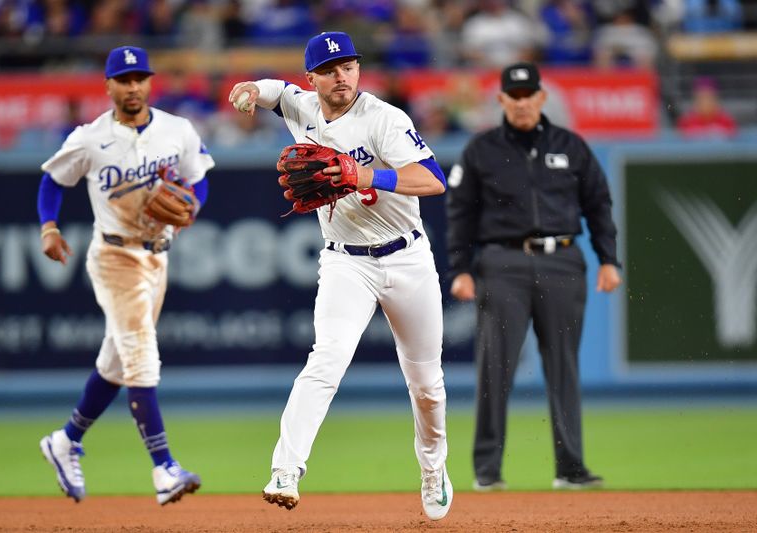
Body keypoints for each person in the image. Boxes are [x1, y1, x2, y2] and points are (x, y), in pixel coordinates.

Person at [228, 31, 452, 521]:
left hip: (407, 258)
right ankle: (286, 470)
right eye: (329, 70)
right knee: (326, 359)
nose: (341, 76)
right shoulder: (303, 107)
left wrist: (365, 175)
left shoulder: (385, 119)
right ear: (313, 78)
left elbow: (433, 179)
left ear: (358, 69)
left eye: (348, 66)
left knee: (427, 385)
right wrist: (247, 89)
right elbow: (274, 91)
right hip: (346, 261)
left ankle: (433, 468)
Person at [37, 45, 214, 505]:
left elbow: (199, 177)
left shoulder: (177, 129)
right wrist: (50, 226)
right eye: (124, 79)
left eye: (140, 78)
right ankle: (163, 469)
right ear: (109, 85)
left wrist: (193, 202)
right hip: (114, 258)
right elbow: (53, 180)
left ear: (149, 83)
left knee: (116, 362)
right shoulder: (90, 138)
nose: (133, 86)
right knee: (140, 357)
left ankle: (66, 439)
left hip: (158, 257)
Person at [446, 62, 621, 491]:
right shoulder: (481, 149)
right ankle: (488, 471)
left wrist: (608, 259)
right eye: (514, 95)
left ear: (541, 98)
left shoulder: (571, 146)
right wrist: (461, 270)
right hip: (502, 263)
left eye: (529, 95)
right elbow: (460, 213)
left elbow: (598, 204)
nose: (522, 103)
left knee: (564, 365)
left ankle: (570, 468)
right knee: (495, 368)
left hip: (562, 260)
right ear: (502, 99)